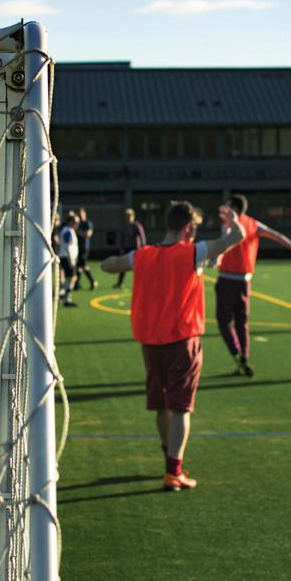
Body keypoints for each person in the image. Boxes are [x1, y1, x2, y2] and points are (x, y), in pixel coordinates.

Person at [102, 201, 244, 491]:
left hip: (150, 342)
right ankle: (173, 471)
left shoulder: (144, 255)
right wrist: (232, 219)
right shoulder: (193, 252)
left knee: (162, 405)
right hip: (182, 340)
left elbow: (108, 265)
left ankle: (169, 456)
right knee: (180, 408)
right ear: (187, 228)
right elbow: (236, 237)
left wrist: (128, 260)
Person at [215, 194, 291, 377]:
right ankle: (243, 359)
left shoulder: (229, 225)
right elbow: (277, 236)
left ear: (235, 209)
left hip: (227, 279)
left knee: (224, 322)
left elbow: (224, 242)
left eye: (228, 207)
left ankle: (237, 355)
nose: (224, 210)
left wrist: (215, 258)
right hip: (244, 282)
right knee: (241, 323)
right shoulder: (254, 224)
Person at [113, 208, 146, 289]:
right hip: (126, 248)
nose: (128, 217)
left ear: (133, 216)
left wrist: (143, 248)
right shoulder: (124, 226)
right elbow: (121, 238)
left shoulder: (136, 226)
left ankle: (141, 283)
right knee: (123, 266)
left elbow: (142, 238)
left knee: (137, 267)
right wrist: (121, 248)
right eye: (126, 216)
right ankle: (120, 283)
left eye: (129, 216)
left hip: (135, 249)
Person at [58, 212, 80, 307]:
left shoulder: (69, 230)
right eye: (76, 222)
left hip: (67, 257)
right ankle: (64, 296)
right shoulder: (68, 231)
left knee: (70, 278)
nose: (77, 224)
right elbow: (69, 246)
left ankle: (64, 295)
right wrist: (71, 259)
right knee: (71, 277)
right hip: (67, 258)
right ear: (70, 222)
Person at [74, 207, 97, 291]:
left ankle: (92, 281)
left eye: (81, 214)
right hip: (77, 247)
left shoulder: (87, 223)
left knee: (83, 265)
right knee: (79, 266)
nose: (80, 216)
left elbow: (88, 234)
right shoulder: (77, 224)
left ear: (84, 214)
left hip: (84, 247)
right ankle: (77, 284)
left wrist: (78, 232)